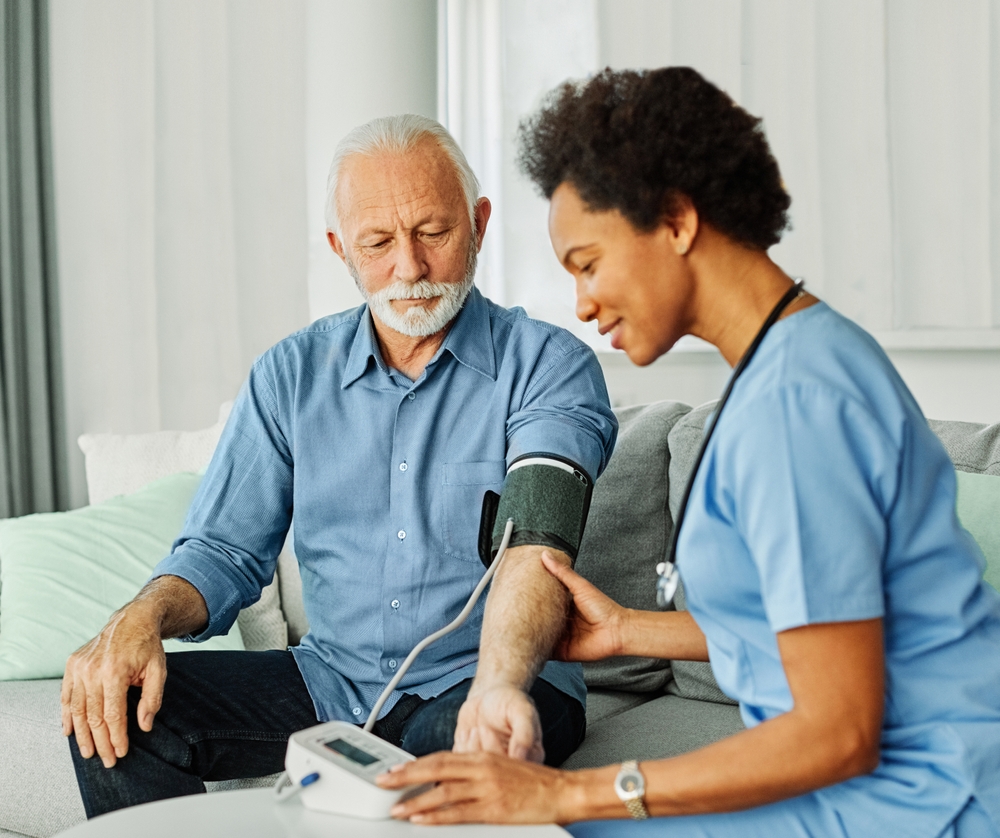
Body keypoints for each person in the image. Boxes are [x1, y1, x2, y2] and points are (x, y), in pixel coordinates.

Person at [377, 68, 1000, 836]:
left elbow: (838, 731)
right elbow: (834, 618)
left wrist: (567, 794)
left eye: (587, 263)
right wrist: (631, 632)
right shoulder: (798, 358)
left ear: (674, 221)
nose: (580, 303)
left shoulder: (795, 407)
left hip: (926, 804)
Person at [62, 114, 618, 817]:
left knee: (437, 765)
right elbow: (222, 550)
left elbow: (536, 546)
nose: (409, 269)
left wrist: (499, 684)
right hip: (327, 680)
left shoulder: (549, 365)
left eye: (434, 233)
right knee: (111, 713)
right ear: (340, 249)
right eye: (378, 243)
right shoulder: (289, 376)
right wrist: (141, 615)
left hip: (487, 681)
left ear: (478, 224)